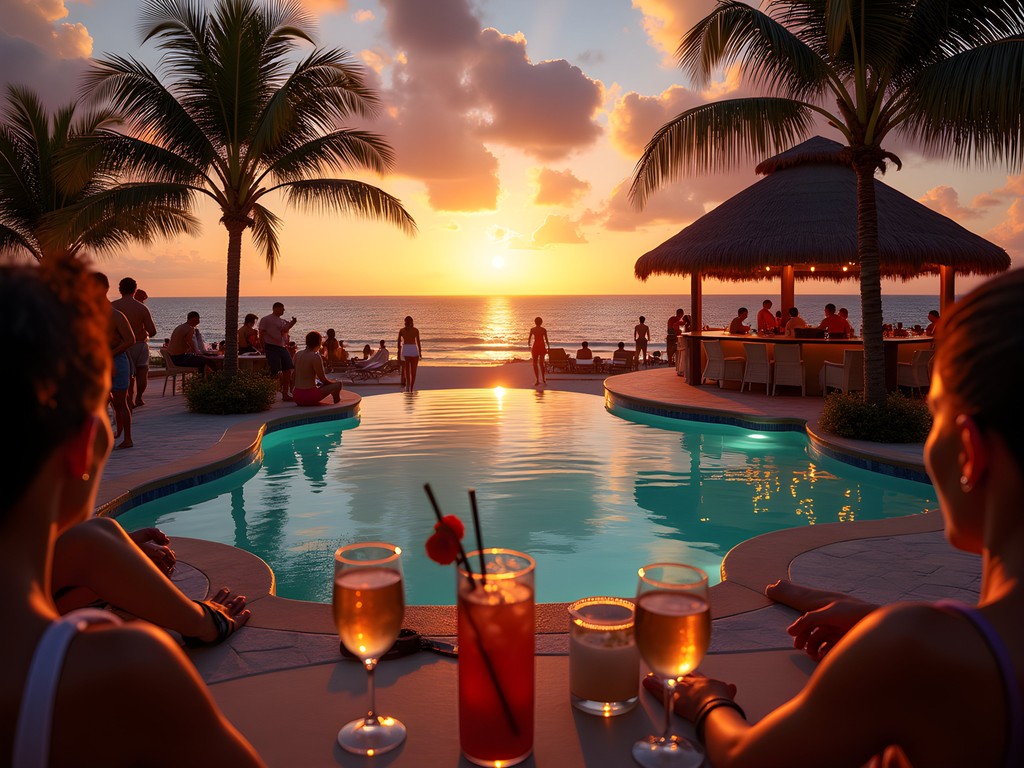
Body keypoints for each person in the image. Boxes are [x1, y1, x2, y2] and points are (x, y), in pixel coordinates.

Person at [647, 268, 1024, 768]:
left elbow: (747, 759)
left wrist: (707, 701)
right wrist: (871, 619)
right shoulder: (931, 649)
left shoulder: (918, 652)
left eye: (935, 418)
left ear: (970, 452)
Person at [2, 258, 263, 767]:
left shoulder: (80, 548)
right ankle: (205, 623)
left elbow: (86, 542)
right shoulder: (120, 669)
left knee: (96, 534)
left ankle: (200, 621)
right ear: (82, 448)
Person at [94, 273, 136, 450]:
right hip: (98, 363)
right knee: (100, 403)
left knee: (120, 403)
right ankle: (105, 438)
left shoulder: (116, 315)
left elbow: (130, 339)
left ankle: (127, 438)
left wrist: (111, 353)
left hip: (117, 362)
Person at [112, 277, 157, 409]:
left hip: (121, 346)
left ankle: (128, 400)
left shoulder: (112, 306)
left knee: (127, 374)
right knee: (142, 372)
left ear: (120, 290)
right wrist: (144, 333)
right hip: (140, 344)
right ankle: (139, 398)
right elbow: (152, 331)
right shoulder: (142, 308)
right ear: (135, 290)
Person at [290, 331, 345, 406]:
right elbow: (323, 379)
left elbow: (293, 375)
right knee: (338, 385)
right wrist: (333, 383)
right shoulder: (315, 356)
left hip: (296, 395)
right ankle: (336, 405)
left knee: (322, 385)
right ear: (319, 342)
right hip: (307, 397)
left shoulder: (298, 354)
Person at [259, 302, 298, 402]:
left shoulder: (282, 320)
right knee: (274, 370)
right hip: (271, 347)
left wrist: (292, 323)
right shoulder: (266, 319)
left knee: (288, 368)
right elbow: (261, 333)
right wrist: (262, 347)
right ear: (275, 308)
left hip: (282, 347)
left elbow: (284, 329)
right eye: (282, 308)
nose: (283, 310)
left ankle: (285, 394)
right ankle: (267, 394)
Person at [167, 311, 218, 376]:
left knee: (200, 361)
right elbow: (190, 344)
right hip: (180, 359)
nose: (197, 322)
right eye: (195, 320)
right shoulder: (189, 329)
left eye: (198, 320)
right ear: (190, 319)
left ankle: (201, 379)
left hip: (172, 358)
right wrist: (199, 353)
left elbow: (184, 344)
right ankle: (214, 378)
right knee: (209, 361)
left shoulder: (179, 327)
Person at [399, 316, 422, 392]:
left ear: (405, 322)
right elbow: (418, 342)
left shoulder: (402, 330)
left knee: (407, 370)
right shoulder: (416, 330)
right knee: (413, 371)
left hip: (405, 348)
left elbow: (398, 344)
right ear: (412, 322)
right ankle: (411, 388)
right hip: (413, 349)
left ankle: (408, 386)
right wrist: (420, 352)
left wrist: (399, 355)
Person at [528, 316, 548, 387]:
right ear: (541, 322)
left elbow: (529, 339)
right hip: (542, 346)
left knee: (535, 363)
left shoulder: (532, 329)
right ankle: (543, 378)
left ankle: (537, 380)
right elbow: (546, 339)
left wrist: (529, 344)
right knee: (541, 363)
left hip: (536, 346)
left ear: (535, 322)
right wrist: (548, 347)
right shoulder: (543, 330)